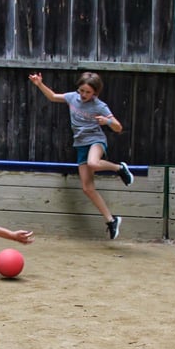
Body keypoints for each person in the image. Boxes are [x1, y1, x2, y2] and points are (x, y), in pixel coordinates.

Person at [28, 72, 134, 240]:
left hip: (96, 141)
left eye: (88, 92)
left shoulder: (100, 106)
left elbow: (118, 127)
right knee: (87, 188)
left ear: (95, 93)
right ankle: (111, 220)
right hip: (80, 145)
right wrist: (39, 84)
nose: (84, 95)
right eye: (82, 90)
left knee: (93, 163)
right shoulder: (72, 97)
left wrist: (107, 122)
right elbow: (53, 96)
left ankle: (119, 168)